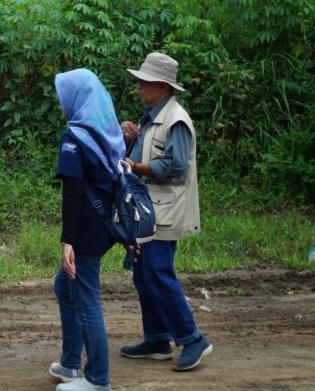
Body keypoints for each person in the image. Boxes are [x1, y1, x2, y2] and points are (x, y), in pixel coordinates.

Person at [117, 52, 212, 372]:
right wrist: (131, 137)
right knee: (144, 275)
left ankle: (192, 338)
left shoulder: (177, 119)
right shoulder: (154, 115)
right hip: (150, 208)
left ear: (161, 85)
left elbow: (175, 164)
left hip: (166, 209)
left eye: (144, 82)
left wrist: (137, 166)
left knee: (158, 272)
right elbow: (153, 151)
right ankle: (157, 339)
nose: (139, 87)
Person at [48, 69, 125, 391]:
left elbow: (73, 193)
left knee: (86, 298)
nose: (59, 101)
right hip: (104, 222)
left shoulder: (75, 137)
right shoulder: (105, 130)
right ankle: (69, 363)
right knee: (64, 288)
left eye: (62, 95)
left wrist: (68, 241)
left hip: (87, 231)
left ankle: (98, 379)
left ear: (75, 98)